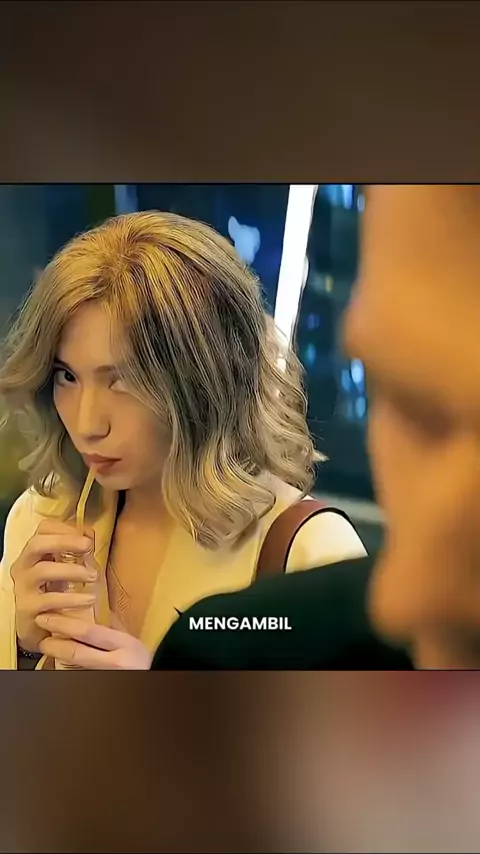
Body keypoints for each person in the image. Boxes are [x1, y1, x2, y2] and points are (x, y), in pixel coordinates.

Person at [0, 210, 365, 670]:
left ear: (205, 384)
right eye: (66, 376)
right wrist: (24, 648)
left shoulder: (312, 554)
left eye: (122, 380)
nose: (88, 423)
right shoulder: (40, 518)